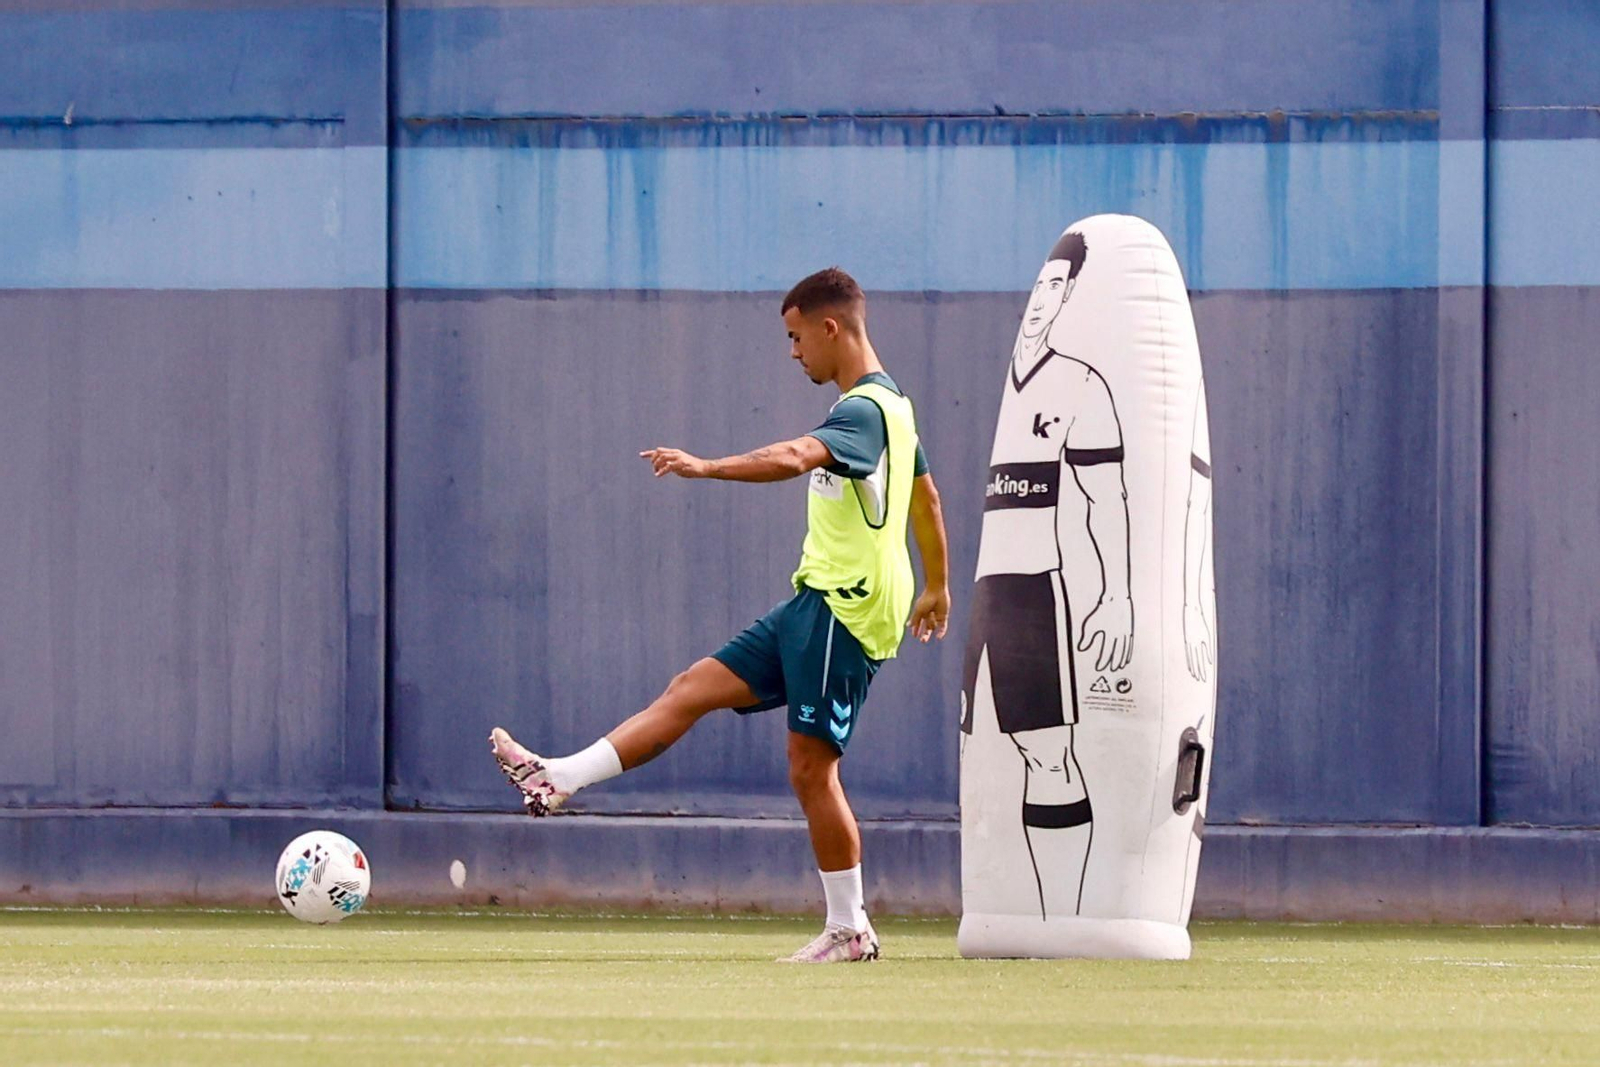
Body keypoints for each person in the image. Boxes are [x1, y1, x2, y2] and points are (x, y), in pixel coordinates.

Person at [489, 267, 951, 963]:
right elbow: (927, 501)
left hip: (847, 611)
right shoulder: (896, 408)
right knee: (690, 688)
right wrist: (936, 586)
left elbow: (796, 455)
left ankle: (851, 928)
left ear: (831, 328)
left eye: (797, 337)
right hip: (815, 599)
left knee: (810, 767)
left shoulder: (862, 411)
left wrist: (707, 466)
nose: (793, 352)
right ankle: (558, 779)